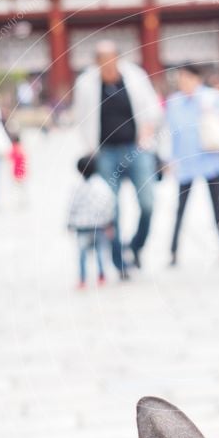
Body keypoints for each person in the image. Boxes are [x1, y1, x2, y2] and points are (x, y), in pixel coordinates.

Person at [73, 40, 162, 277]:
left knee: (148, 203)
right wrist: (90, 148)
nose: (108, 65)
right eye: (102, 60)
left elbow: (153, 109)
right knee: (110, 208)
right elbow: (81, 117)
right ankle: (118, 261)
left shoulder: (135, 76)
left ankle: (136, 246)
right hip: (105, 152)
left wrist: (147, 131)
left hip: (136, 148)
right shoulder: (86, 84)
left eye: (111, 58)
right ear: (96, 62)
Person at [166, 63, 219, 266]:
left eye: (187, 79)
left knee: (217, 208)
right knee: (180, 209)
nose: (183, 83)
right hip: (186, 163)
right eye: (180, 79)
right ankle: (173, 252)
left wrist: (212, 111)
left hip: (211, 161)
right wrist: (170, 160)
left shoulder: (211, 97)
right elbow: (170, 133)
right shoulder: (174, 102)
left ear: (197, 79)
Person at [67, 155, 115, 289]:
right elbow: (109, 203)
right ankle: (101, 276)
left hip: (81, 226)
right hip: (99, 225)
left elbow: (72, 206)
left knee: (82, 254)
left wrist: (70, 223)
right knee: (101, 251)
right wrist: (110, 222)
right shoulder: (102, 185)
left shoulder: (76, 187)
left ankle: (82, 279)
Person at [8, 135, 28, 206]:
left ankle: (17, 202)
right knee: (22, 188)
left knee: (16, 188)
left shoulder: (14, 149)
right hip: (22, 172)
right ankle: (23, 201)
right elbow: (25, 161)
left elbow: (9, 157)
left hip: (16, 173)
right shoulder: (22, 149)